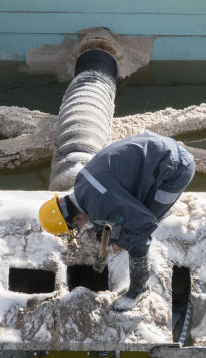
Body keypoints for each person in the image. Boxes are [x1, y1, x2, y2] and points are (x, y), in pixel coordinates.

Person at [38, 133, 196, 311]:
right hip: (157, 152)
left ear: (75, 219)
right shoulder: (81, 183)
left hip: (175, 169)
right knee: (130, 218)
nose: (80, 228)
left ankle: (139, 290)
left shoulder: (103, 202)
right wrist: (108, 241)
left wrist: (121, 242)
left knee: (142, 229)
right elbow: (103, 209)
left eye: (76, 227)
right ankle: (153, 211)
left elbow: (143, 226)